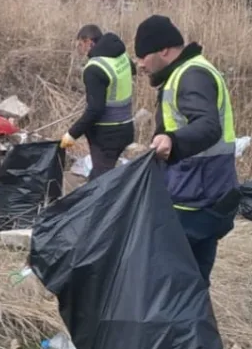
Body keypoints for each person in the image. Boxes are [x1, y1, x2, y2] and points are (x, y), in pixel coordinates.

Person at [133, 15, 240, 285]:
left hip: (196, 198)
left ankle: (183, 326)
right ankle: (192, 325)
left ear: (164, 50)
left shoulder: (191, 75)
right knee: (192, 282)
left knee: (175, 283)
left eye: (143, 55)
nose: (140, 63)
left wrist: (171, 140)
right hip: (205, 191)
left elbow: (208, 125)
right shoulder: (187, 72)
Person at [60, 25, 136, 180]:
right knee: (102, 175)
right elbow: (132, 70)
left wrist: (72, 134)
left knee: (101, 181)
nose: (80, 50)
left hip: (106, 134)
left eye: (80, 45)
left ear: (89, 42)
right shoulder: (121, 56)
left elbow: (95, 109)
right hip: (127, 127)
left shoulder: (94, 68)